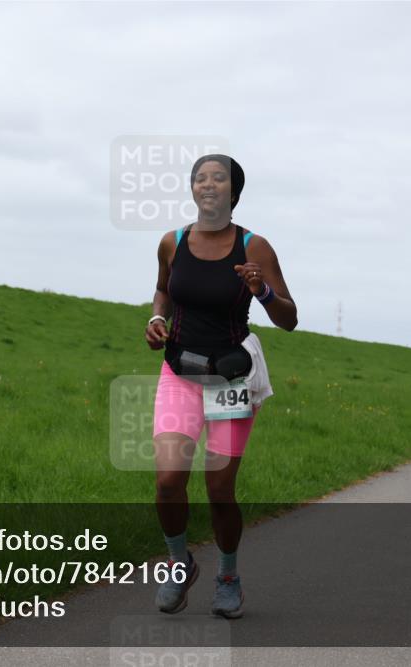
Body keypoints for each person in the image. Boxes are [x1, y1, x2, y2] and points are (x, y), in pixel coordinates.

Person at [144, 154, 296, 619]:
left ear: (234, 191)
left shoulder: (255, 247)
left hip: (230, 378)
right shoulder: (173, 241)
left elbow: (289, 318)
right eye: (200, 178)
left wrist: (263, 291)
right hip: (179, 373)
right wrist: (155, 318)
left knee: (219, 488)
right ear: (192, 189)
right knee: (169, 480)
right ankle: (178, 563)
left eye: (218, 178)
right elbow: (164, 290)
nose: (208, 184)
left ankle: (228, 576)